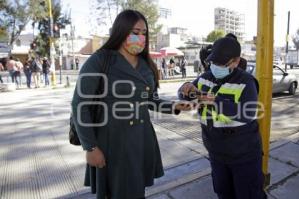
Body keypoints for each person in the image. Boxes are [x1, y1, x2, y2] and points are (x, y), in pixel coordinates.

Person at [71, 9, 193, 199]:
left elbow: (150, 100)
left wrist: (174, 106)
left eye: (144, 33)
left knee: (136, 191)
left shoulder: (146, 65)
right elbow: (80, 105)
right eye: (135, 32)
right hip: (112, 142)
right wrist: (91, 148)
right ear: (121, 31)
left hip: (142, 139)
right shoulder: (100, 60)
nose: (140, 37)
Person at [178, 37, 266, 199]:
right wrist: (185, 88)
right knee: (223, 193)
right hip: (217, 154)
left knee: (249, 195)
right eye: (213, 63)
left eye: (221, 64)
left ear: (236, 62)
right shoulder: (205, 77)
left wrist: (213, 100)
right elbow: (186, 95)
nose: (216, 67)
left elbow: (246, 113)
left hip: (244, 156)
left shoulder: (247, 82)